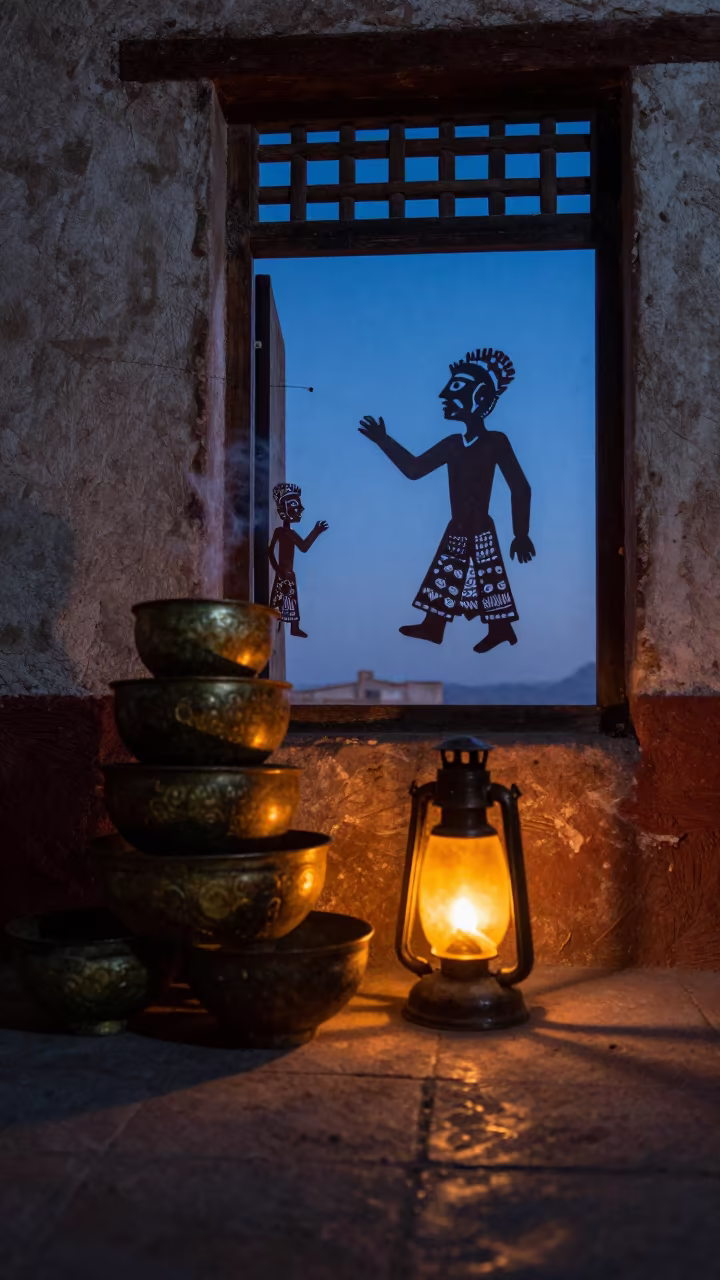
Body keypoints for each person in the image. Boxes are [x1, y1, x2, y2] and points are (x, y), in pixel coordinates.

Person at [359, 347, 535, 653]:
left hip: (479, 526)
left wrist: (521, 534)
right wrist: (384, 441)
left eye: (455, 387)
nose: (444, 394)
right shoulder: (453, 445)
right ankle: (436, 626)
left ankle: (499, 627)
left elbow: (520, 487)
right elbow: (415, 469)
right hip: (458, 526)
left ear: (479, 396)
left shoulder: (496, 442)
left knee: (488, 576)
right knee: (446, 576)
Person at [268, 482, 328, 638]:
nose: (300, 509)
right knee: (280, 600)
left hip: (288, 574)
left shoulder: (287, 533)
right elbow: (271, 551)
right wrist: (277, 568)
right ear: (285, 510)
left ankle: (292, 626)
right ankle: (276, 623)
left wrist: (316, 532)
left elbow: (303, 546)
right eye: (295, 505)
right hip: (284, 573)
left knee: (289, 601)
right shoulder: (283, 532)